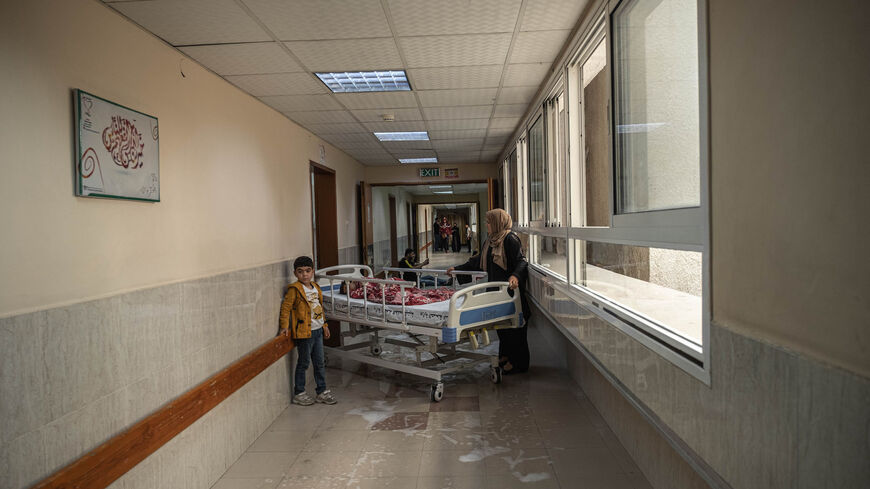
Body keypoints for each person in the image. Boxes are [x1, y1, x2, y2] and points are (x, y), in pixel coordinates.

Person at [448, 209, 531, 374]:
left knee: (515, 329)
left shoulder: (510, 239)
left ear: (497, 223)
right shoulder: (490, 242)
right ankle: (505, 356)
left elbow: (521, 262)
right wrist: (456, 269)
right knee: (502, 326)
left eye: (488, 222)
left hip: (510, 292)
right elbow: (478, 261)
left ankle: (518, 363)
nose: (486, 225)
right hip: (496, 291)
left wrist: (515, 276)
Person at [279, 256, 337, 406]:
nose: (304, 274)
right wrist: (284, 326)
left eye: (307, 271)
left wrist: (324, 325)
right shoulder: (295, 290)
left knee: (319, 363)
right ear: (295, 273)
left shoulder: (316, 287)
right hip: (305, 333)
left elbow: (319, 308)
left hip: (318, 331)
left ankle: (321, 391)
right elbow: (286, 308)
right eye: (300, 272)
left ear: (312, 271)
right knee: (304, 363)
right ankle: (299, 393)